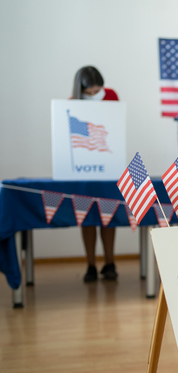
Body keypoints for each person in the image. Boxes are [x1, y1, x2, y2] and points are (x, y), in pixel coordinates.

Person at [71, 66, 119, 282]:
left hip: (108, 164)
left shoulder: (111, 96)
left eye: (96, 90)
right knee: (88, 216)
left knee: (108, 215)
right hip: (83, 168)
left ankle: (110, 262)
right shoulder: (72, 102)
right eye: (89, 92)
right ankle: (90, 265)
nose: (93, 95)